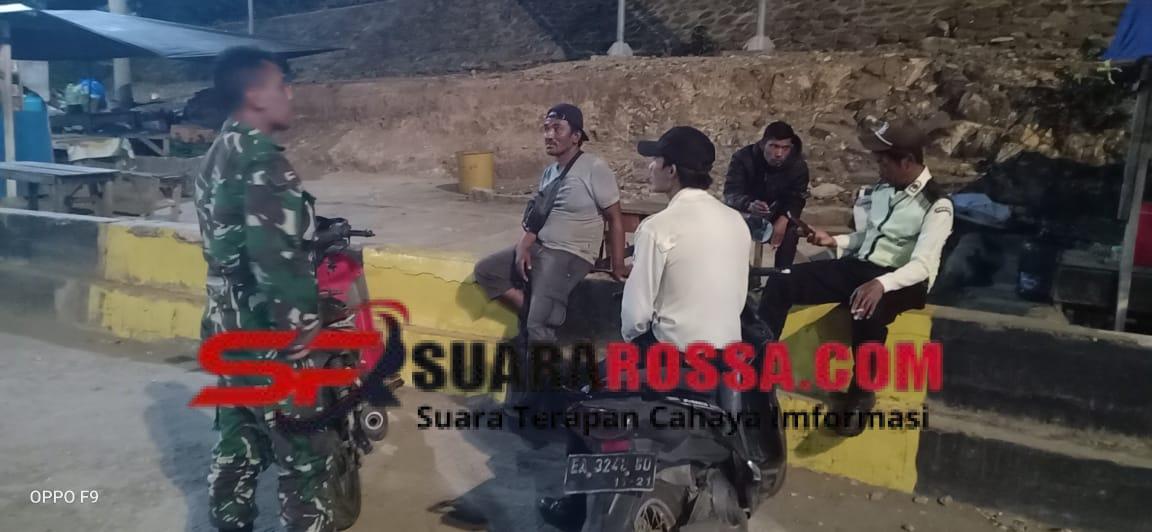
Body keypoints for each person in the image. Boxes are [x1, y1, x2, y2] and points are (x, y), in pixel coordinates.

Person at [539, 126, 751, 527]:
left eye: (655, 160)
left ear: (672, 170)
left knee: (583, 399)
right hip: (725, 363)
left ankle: (573, 508)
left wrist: (639, 344)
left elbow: (635, 317)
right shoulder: (736, 221)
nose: (650, 167)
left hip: (673, 362)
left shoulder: (658, 227)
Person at [195, 47, 337, 532]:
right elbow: (273, 256)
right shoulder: (262, 160)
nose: (290, 95)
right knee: (304, 450)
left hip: (225, 326)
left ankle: (230, 520)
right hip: (266, 333)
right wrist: (302, 328)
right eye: (282, 86)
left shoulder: (218, 152)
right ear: (255, 95)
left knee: (238, 437)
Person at [758, 120, 953, 437]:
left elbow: (922, 264)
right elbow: (869, 237)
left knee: (867, 307)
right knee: (783, 280)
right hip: (864, 267)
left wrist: (881, 285)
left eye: (884, 162)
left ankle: (862, 393)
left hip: (904, 279)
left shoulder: (937, 205)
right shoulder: (883, 190)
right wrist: (834, 241)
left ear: (906, 161)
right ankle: (760, 367)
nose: (879, 168)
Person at [473, 103, 627, 346]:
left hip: (570, 253)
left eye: (557, 128)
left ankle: (543, 342)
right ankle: (545, 318)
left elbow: (615, 217)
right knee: (487, 271)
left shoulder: (594, 168)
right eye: (546, 129)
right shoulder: (549, 173)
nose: (549, 135)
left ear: (576, 136)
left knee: (536, 325)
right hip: (542, 247)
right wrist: (524, 245)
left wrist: (617, 265)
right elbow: (538, 218)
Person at [723, 121, 810, 268]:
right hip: (745, 211)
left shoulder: (797, 165)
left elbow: (797, 198)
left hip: (777, 212)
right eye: (774, 146)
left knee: (790, 233)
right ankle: (742, 273)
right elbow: (731, 193)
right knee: (727, 228)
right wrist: (749, 205)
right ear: (763, 144)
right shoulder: (743, 158)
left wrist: (784, 218)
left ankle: (782, 277)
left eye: (785, 148)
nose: (779, 153)